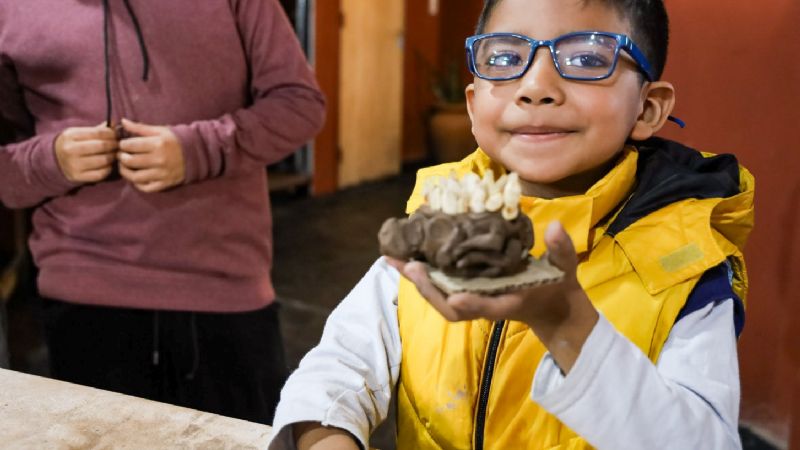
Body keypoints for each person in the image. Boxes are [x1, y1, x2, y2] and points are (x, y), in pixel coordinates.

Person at [268, 0, 755, 448]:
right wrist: (323, 435)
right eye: (503, 58)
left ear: (647, 108)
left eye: (587, 58)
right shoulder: (438, 220)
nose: (536, 87)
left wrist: (567, 324)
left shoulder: (686, 270)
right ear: (474, 105)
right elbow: (343, 362)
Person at [0, 0, 325, 424]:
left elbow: (300, 105)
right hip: (84, 298)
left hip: (226, 291)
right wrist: (50, 161)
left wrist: (198, 150)